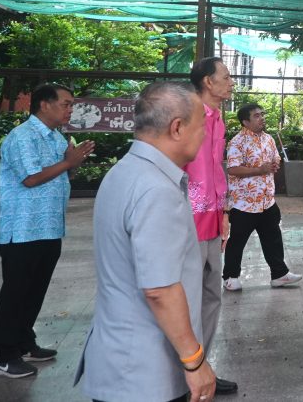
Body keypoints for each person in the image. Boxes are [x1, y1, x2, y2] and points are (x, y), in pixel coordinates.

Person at [76, 81, 216, 402]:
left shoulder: (124, 172)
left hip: (119, 359)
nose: (204, 135)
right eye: (201, 126)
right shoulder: (156, 190)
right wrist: (195, 361)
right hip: (144, 373)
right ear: (177, 128)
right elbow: (160, 289)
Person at [0, 83, 95, 379]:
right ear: (44, 105)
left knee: (34, 291)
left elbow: (62, 174)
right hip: (22, 229)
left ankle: (24, 343)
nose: (70, 109)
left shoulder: (56, 137)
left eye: (71, 104)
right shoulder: (23, 136)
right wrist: (68, 162)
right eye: (66, 103)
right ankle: (3, 357)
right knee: (15, 293)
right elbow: (31, 178)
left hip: (49, 227)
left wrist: (72, 164)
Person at [184, 57, 237, 396]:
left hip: (213, 217)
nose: (231, 82)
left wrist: (225, 211)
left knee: (211, 295)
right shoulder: (187, 115)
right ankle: (184, 371)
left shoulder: (218, 118)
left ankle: (203, 367)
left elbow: (217, 168)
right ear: (207, 81)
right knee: (186, 298)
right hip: (188, 218)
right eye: (226, 76)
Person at [222, 103, 302, 291]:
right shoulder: (237, 142)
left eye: (262, 114)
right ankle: (231, 277)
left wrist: (275, 164)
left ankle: (279, 274)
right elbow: (232, 169)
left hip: (267, 201)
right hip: (245, 203)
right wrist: (259, 169)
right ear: (245, 122)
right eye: (256, 116)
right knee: (237, 241)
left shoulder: (268, 139)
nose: (262, 118)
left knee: (273, 238)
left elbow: (275, 158)